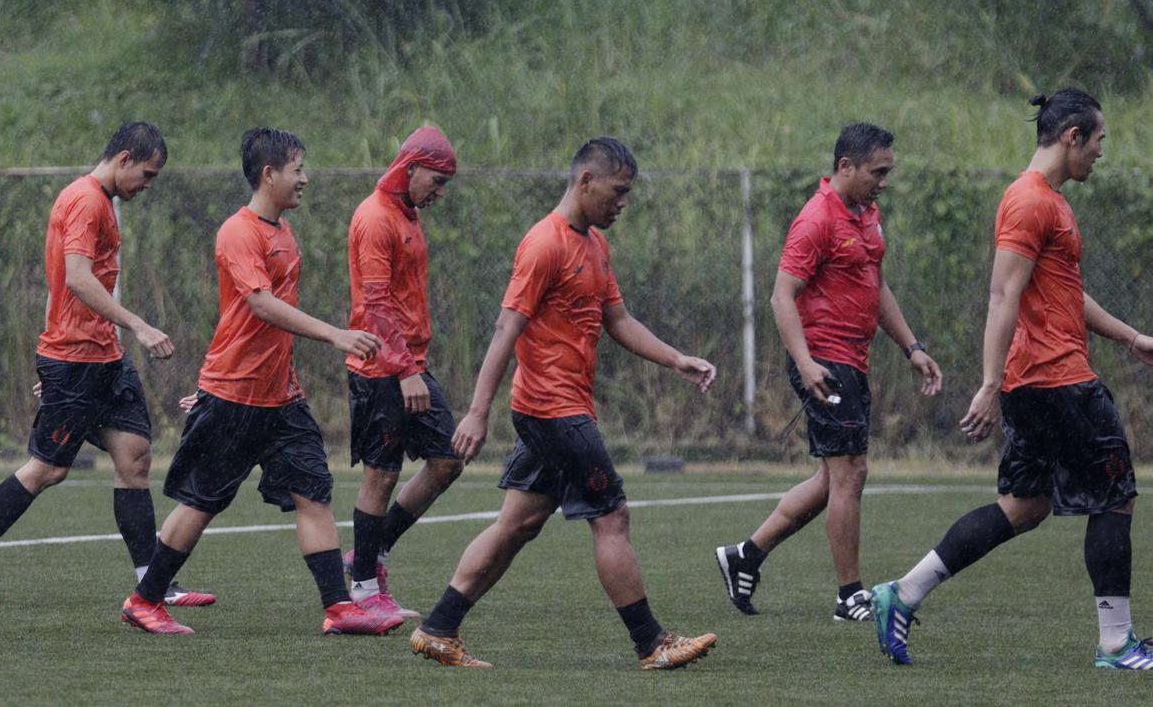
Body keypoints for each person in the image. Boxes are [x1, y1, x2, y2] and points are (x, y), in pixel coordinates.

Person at [408, 137, 719, 670]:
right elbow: (507, 328)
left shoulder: (595, 244)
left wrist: (675, 359)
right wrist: (479, 410)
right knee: (612, 517)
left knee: (519, 523)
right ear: (585, 182)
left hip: (560, 407)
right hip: (552, 410)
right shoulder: (544, 244)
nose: (623, 203)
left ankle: (438, 628)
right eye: (617, 192)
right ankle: (652, 642)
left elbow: (617, 320)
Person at [872, 89, 1153, 669]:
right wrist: (988, 383)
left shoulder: (1048, 201)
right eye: (1098, 141)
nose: (1101, 153)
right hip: (1056, 380)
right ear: (1072, 135)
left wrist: (1129, 337)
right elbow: (1002, 294)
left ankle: (901, 593)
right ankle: (1117, 644)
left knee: (1024, 506)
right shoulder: (1030, 202)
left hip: (1040, 381)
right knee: (1116, 496)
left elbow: (1065, 296)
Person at [119, 127, 396, 636]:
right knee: (202, 502)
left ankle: (338, 608)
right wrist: (336, 335)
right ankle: (144, 600)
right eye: (298, 170)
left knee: (314, 492)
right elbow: (262, 306)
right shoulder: (237, 232)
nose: (305, 179)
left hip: (281, 398)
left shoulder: (285, 234)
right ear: (269, 174)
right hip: (233, 395)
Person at [0, 122, 214, 609]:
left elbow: (70, 289)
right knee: (47, 470)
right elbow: (79, 280)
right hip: (75, 360)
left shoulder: (100, 201)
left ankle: (152, 582)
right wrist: (140, 327)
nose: (147, 186)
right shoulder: (86, 200)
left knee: (135, 457)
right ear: (125, 158)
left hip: (103, 357)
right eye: (146, 175)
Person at [714, 123, 942, 622]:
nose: (884, 182)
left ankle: (745, 556)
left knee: (831, 478)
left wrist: (912, 347)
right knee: (851, 473)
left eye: (887, 172)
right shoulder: (816, 218)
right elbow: (781, 296)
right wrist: (805, 363)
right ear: (846, 167)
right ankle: (849, 596)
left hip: (852, 361)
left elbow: (875, 287)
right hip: (825, 359)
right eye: (877, 172)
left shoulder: (867, 214)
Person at [342, 126, 464, 620]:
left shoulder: (406, 213)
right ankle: (365, 588)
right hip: (382, 367)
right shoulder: (375, 218)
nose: (438, 193)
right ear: (409, 168)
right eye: (434, 182)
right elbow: (375, 303)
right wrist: (405, 370)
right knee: (381, 474)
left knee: (447, 459)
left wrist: (413, 366)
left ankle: (370, 554)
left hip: (410, 364)